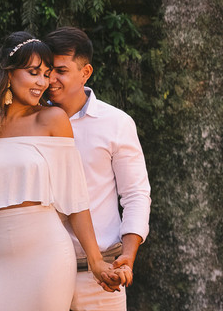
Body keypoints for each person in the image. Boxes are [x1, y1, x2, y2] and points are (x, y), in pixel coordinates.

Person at [0, 33, 120, 311]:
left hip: (47, 258)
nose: (42, 83)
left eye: (46, 74)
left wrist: (96, 261)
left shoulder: (52, 120)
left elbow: (76, 201)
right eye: (34, 73)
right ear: (7, 74)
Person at [44, 26, 151, 311]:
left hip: (102, 277)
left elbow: (136, 195)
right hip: (41, 273)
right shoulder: (28, 122)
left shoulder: (116, 123)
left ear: (86, 72)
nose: (51, 79)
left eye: (61, 71)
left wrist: (127, 255)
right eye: (46, 71)